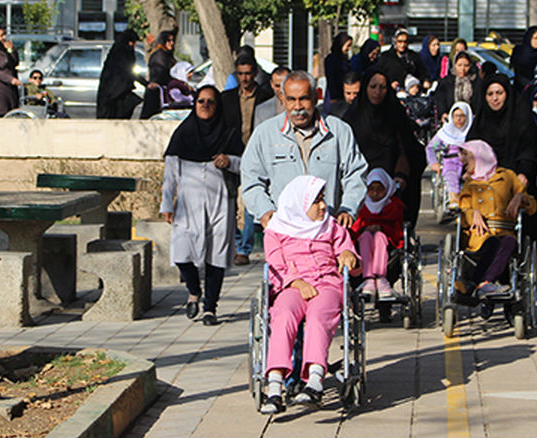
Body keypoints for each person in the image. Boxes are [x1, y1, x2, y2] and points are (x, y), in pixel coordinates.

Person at [260, 175, 361, 414]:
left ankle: (315, 380)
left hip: (327, 282)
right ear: (299, 203)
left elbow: (347, 251)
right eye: (316, 201)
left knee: (318, 317)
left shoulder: (331, 226)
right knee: (283, 314)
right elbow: (274, 266)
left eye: (322, 199)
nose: (323, 206)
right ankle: (274, 386)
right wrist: (295, 281)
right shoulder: (276, 231)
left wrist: (349, 255)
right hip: (291, 285)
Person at [241, 71, 368, 234]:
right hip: (284, 232)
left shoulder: (339, 131)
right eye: (291, 100)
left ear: (315, 98)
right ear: (283, 100)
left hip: (327, 230)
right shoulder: (264, 134)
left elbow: (356, 173)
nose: (298, 107)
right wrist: (266, 212)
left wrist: (348, 208)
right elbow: (251, 180)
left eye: (304, 99)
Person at [160, 85, 243, 326]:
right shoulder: (183, 133)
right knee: (181, 250)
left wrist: (230, 161)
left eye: (211, 102)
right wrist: (167, 204)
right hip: (188, 202)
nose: (205, 106)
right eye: (200, 101)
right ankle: (194, 290)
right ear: (194, 104)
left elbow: (245, 164)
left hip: (220, 201)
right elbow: (170, 174)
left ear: (218, 107)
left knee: (216, 254)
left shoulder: (228, 132)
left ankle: (210, 307)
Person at [454, 140, 537, 311]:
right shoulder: (470, 184)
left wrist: (520, 197)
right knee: (491, 243)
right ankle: (484, 283)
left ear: (480, 155)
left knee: (507, 241)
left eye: (465, 155)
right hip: (479, 235)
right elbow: (462, 211)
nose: (461, 160)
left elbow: (532, 206)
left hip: (505, 230)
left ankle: (474, 284)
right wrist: (473, 213)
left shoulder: (507, 177)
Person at [342, 70, 427, 224]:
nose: (377, 92)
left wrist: (401, 176)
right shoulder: (353, 117)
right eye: (373, 87)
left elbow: (408, 148)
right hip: (361, 178)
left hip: (391, 180)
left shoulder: (396, 114)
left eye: (382, 87)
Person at [222, 52, 273, 263]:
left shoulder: (265, 97)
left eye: (248, 73)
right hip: (232, 152)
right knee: (230, 200)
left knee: (253, 201)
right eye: (241, 74)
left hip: (256, 154)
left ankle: (244, 248)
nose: (245, 78)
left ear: (255, 73)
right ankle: (235, 243)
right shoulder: (227, 98)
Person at [351, 169, 406, 322]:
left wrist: (381, 228)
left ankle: (380, 276)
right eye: (371, 189)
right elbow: (355, 228)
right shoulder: (361, 206)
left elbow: (398, 229)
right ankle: (368, 278)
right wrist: (365, 229)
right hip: (364, 244)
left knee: (379, 237)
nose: (375, 193)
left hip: (387, 244)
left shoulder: (393, 206)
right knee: (367, 237)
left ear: (386, 189)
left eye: (380, 189)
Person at [467, 74, 537, 185]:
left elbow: (529, 149)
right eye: (490, 94)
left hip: (515, 180)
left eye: (499, 93)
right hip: (485, 183)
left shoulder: (521, 118)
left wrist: (523, 172)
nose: (495, 98)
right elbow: (470, 150)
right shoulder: (480, 122)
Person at [426, 101, 473, 207]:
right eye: (456, 116)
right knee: (452, 178)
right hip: (450, 162)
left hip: (469, 163)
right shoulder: (445, 133)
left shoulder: (472, 132)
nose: (459, 119)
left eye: (462, 116)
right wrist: (434, 163)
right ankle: (454, 200)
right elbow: (431, 148)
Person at [96, 28, 143, 119]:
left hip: (119, 92)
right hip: (113, 94)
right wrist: (145, 83)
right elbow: (129, 71)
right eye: (132, 43)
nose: (133, 46)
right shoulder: (120, 55)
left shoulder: (119, 53)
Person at [433, 51, 481, 120]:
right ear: (454, 65)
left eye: (466, 65)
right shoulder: (446, 81)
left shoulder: (475, 81)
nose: (463, 69)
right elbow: (440, 99)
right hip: (451, 118)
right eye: (459, 65)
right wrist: (443, 113)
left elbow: (479, 102)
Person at [141, 29, 177, 118]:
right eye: (168, 41)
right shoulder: (159, 56)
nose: (171, 43)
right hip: (157, 92)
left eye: (173, 40)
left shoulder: (167, 55)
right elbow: (161, 74)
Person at [401, 74, 435, 139]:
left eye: (416, 87)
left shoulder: (423, 98)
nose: (415, 89)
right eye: (412, 87)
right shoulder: (405, 99)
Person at [323, 33, 353, 105]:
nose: (349, 49)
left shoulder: (345, 60)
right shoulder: (331, 60)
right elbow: (331, 78)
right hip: (335, 95)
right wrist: (334, 97)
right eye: (348, 46)